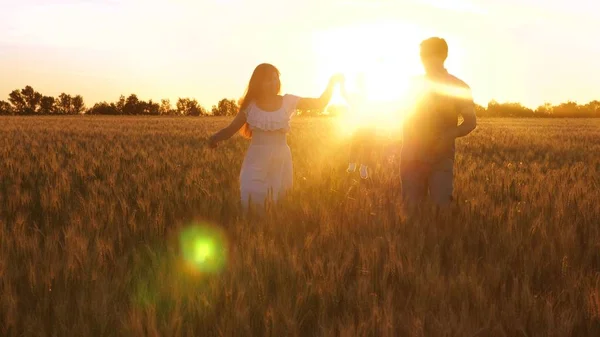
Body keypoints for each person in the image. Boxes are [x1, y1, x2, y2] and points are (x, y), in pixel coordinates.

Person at [207, 63, 343, 211]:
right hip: (255, 160)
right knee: (251, 200)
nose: (274, 83)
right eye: (269, 80)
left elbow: (319, 104)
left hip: (280, 161)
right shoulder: (250, 106)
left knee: (276, 205)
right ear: (259, 83)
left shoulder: (288, 101)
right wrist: (214, 138)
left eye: (276, 78)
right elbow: (230, 130)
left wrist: (331, 83)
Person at [400, 37, 477, 208]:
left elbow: (470, 122)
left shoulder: (459, 87)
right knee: (411, 211)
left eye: (428, 55)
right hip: (411, 157)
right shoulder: (412, 85)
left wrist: (449, 135)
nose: (424, 60)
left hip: (441, 157)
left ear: (443, 56)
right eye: (422, 55)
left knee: (441, 210)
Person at [341, 73, 376, 179]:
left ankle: (363, 168)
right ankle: (352, 166)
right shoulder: (355, 97)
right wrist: (342, 84)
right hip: (358, 126)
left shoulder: (369, 96)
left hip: (369, 126)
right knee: (355, 146)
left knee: (367, 148)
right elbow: (345, 95)